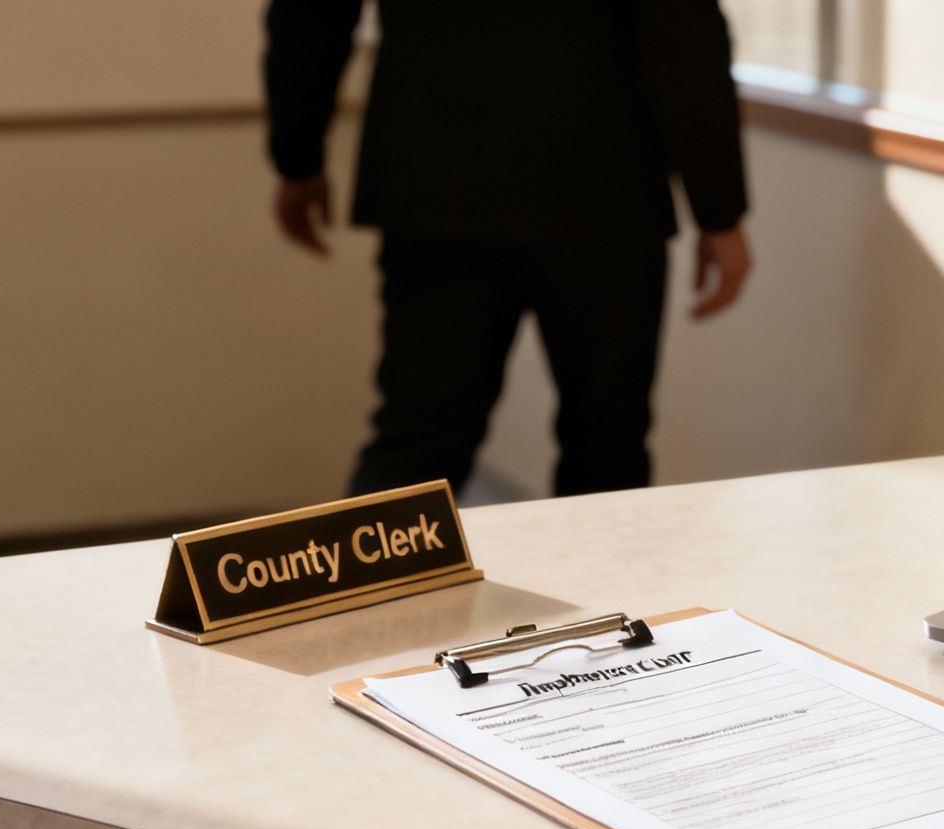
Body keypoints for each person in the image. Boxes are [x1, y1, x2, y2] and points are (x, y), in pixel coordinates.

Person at [263, 0, 752, 497]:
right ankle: (591, 577)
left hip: (437, 176)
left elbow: (311, 15)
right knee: (607, 449)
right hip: (604, 179)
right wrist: (719, 208)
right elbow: (682, 24)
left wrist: (297, 156)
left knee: (417, 444)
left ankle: (374, 575)